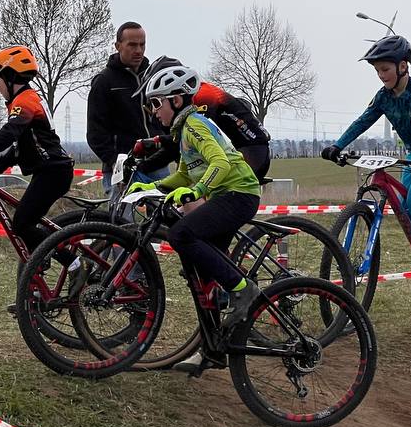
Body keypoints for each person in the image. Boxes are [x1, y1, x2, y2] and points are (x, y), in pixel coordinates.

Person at [127, 62, 261, 336]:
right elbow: (184, 175)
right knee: (202, 272)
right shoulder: (183, 130)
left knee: (181, 234)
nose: (154, 111)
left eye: (156, 103)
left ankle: (243, 290)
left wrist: (197, 191)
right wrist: (152, 187)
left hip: (239, 194)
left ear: (176, 101)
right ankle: (214, 345)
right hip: (227, 194)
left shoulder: (195, 125)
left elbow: (220, 162)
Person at [321, 35, 411, 276]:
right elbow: (363, 121)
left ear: (402, 66)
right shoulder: (383, 97)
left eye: (385, 69)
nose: (381, 75)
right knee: (405, 204)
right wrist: (337, 145)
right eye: (377, 71)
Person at [0, 45, 74, 258]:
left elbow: (8, 134)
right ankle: (38, 267)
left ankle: (75, 264)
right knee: (26, 226)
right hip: (51, 171)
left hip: (53, 172)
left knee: (21, 224)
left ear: (10, 77)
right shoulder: (24, 100)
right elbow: (17, 150)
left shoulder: (25, 100)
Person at [131, 55, 272, 182]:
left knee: (193, 194)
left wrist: (155, 144)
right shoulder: (186, 101)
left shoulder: (201, 95)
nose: (152, 107)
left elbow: (180, 143)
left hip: (252, 152)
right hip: (240, 152)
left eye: (155, 100)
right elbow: (178, 146)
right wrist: (142, 166)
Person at [86, 22, 154, 192]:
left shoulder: (153, 78)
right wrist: (114, 161)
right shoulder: (104, 81)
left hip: (157, 164)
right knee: (123, 211)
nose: (138, 50)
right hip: (121, 168)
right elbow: (95, 132)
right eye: (132, 45)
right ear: (118, 46)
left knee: (169, 209)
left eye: (142, 44)